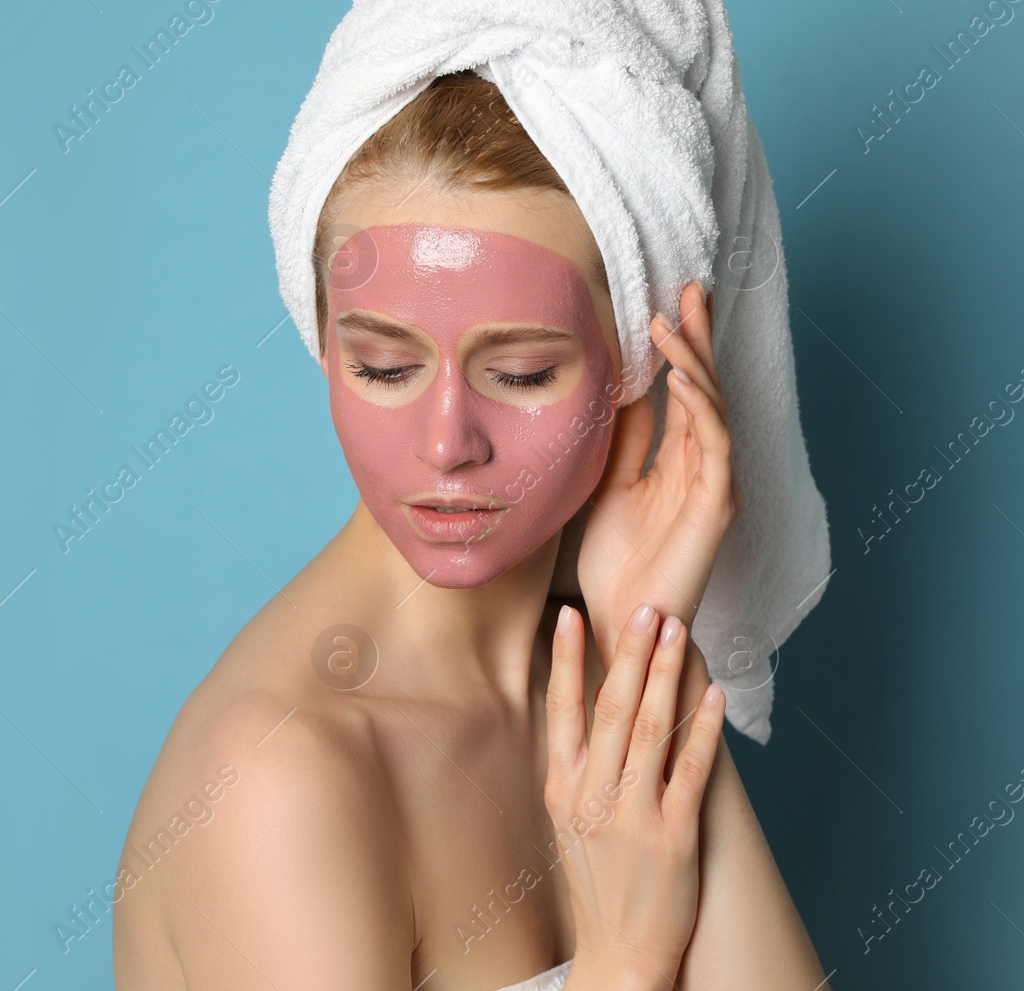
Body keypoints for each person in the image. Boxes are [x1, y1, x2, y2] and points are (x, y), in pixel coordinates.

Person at [113, 71, 830, 990]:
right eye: (381, 365)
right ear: (323, 343)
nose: (447, 443)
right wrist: (627, 960)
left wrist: (653, 641)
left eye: (523, 372)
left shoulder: (591, 662)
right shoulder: (280, 782)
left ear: (637, 368)